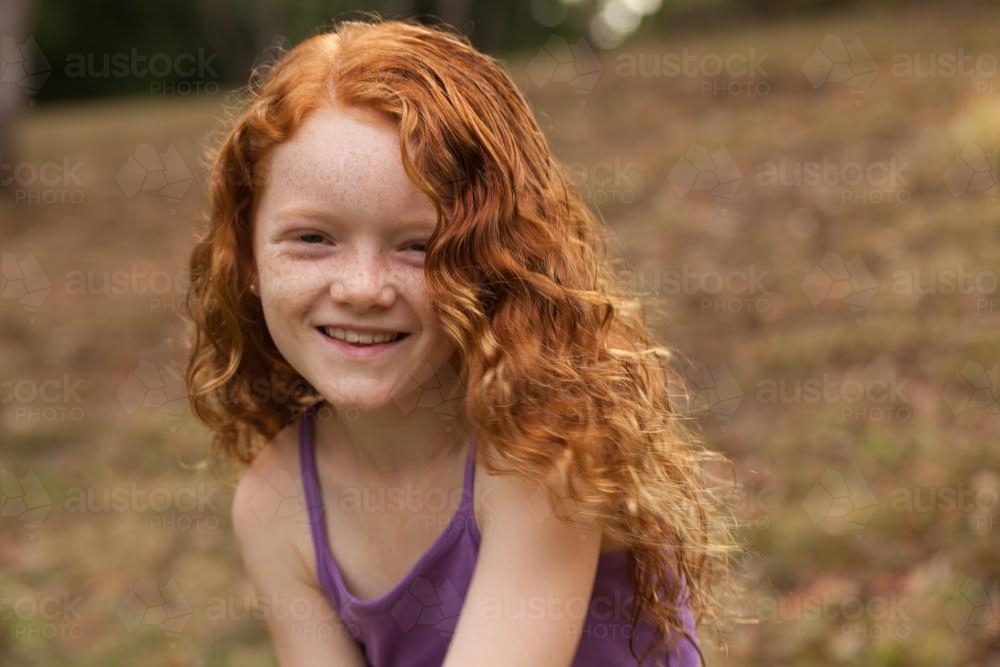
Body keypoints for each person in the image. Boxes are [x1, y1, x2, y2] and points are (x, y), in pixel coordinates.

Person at [184, 16, 738, 667]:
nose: (363, 288)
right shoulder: (275, 504)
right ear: (245, 258)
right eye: (313, 238)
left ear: (496, 260)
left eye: (419, 245)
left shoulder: (537, 455)